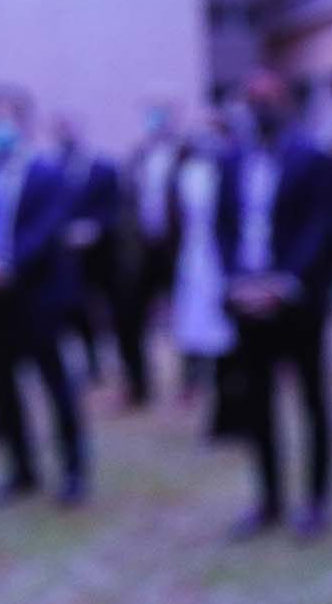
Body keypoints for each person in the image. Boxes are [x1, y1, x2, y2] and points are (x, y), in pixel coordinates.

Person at [215, 69, 332, 538]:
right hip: (247, 300)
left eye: (269, 98)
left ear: (286, 103)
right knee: (257, 402)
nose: (261, 106)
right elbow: (223, 227)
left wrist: (284, 282)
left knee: (312, 400)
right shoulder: (231, 161)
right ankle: (267, 500)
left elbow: (320, 227)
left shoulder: (313, 158)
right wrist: (236, 281)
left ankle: (316, 501)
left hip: (295, 299)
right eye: (253, 99)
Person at [0, 83, 86, 505]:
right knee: (3, 387)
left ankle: (73, 473)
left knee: (55, 386)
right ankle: (22, 472)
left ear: (23, 124)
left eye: (5, 119)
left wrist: (8, 266)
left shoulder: (47, 175)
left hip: (35, 298)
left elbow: (46, 230)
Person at [49, 114, 125, 398]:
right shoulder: (52, 167)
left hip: (101, 253)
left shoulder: (102, 167)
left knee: (107, 306)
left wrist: (94, 229)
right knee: (76, 310)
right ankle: (90, 362)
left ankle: (116, 361)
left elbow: (114, 207)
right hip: (68, 256)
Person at [168, 111, 234, 409]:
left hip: (221, 255)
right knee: (193, 320)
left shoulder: (229, 169)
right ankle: (192, 381)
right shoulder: (188, 173)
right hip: (194, 254)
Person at [121, 100, 182, 410]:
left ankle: (190, 382)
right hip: (143, 249)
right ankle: (138, 383)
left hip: (175, 249)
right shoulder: (138, 157)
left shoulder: (185, 155)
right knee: (132, 317)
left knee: (183, 317)